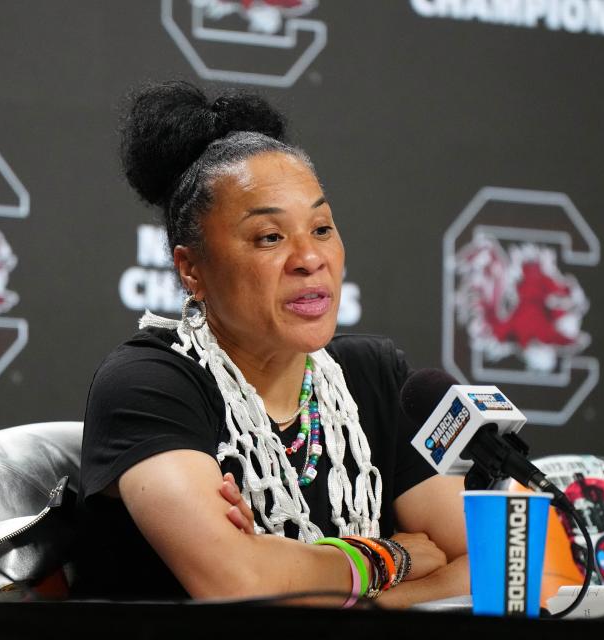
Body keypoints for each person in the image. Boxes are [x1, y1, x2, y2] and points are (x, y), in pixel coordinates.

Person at [74, 80, 469, 606]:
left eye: (323, 228)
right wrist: (387, 559)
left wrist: (340, 591)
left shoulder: (373, 378)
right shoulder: (149, 384)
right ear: (191, 268)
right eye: (270, 237)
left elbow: (507, 565)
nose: (310, 258)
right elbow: (236, 583)